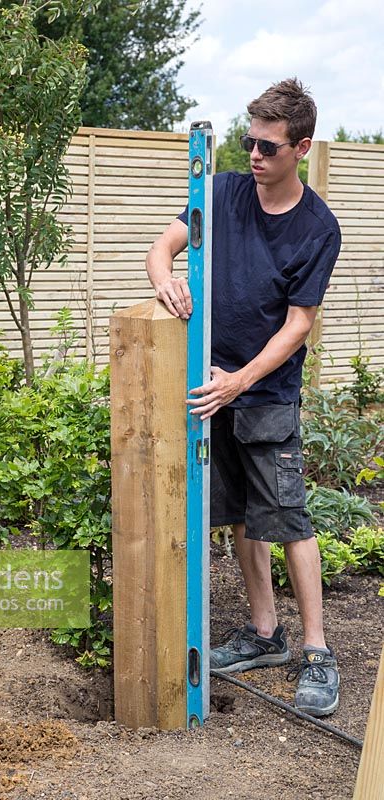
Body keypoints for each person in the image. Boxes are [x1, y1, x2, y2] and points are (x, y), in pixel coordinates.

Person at [145, 77, 342, 717]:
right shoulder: (222, 190)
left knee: (286, 518)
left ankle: (316, 652)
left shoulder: (317, 227)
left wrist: (240, 380)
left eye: (268, 146)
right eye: (248, 141)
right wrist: (165, 279)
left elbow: (297, 325)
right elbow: (161, 246)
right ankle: (265, 635)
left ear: (302, 149)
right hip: (212, 387)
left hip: (266, 392)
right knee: (235, 516)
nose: (253, 155)